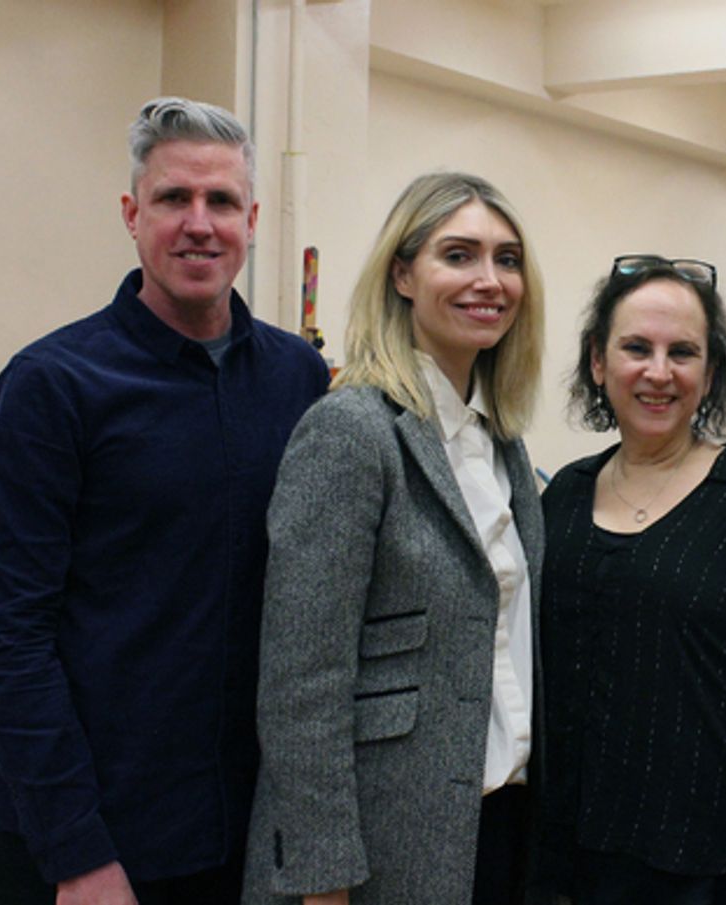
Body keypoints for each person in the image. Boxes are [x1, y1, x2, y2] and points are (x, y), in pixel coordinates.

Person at [0, 97, 329, 905]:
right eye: (173, 198)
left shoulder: (297, 379)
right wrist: (78, 854)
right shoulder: (50, 386)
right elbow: (10, 637)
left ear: (252, 221)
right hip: (85, 834)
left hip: (239, 831)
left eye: (221, 200)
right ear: (133, 215)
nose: (199, 223)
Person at [241, 171, 545, 905]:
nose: (489, 280)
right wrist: (321, 877)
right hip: (380, 841)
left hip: (497, 825)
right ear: (403, 275)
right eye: (459, 255)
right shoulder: (351, 430)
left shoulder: (504, 442)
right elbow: (301, 683)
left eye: (507, 259)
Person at [536, 255, 726, 905]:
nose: (659, 372)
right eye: (636, 348)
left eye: (683, 352)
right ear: (598, 361)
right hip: (563, 865)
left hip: (703, 874)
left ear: (711, 372)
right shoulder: (563, 499)